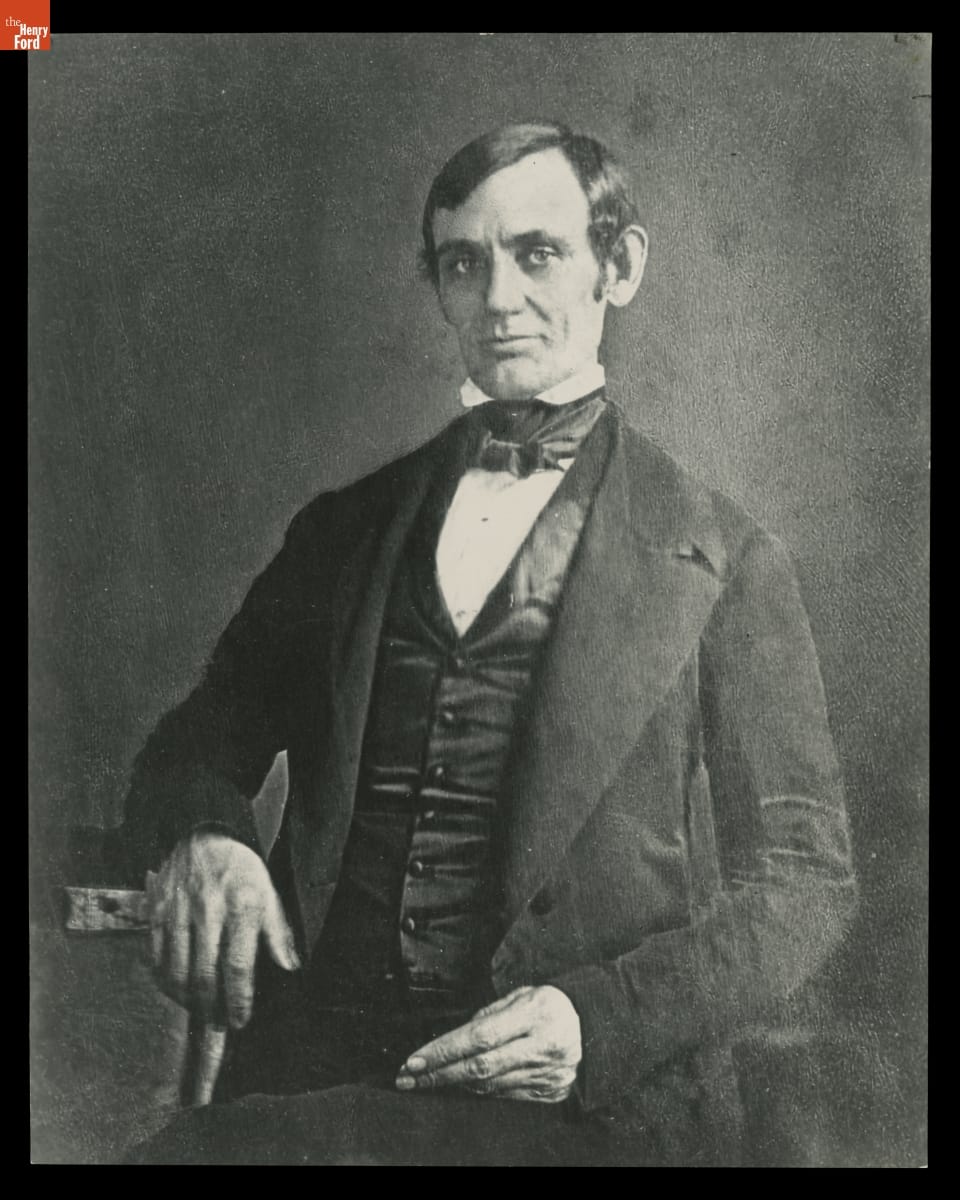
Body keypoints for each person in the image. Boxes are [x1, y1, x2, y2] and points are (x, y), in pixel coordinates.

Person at [121, 122, 856, 1166]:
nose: (499, 298)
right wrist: (209, 838)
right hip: (315, 1085)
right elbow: (194, 744)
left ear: (620, 266)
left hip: (577, 1110)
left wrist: (597, 1021)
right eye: (463, 263)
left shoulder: (728, 561)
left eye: (537, 253)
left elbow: (805, 878)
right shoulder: (343, 531)